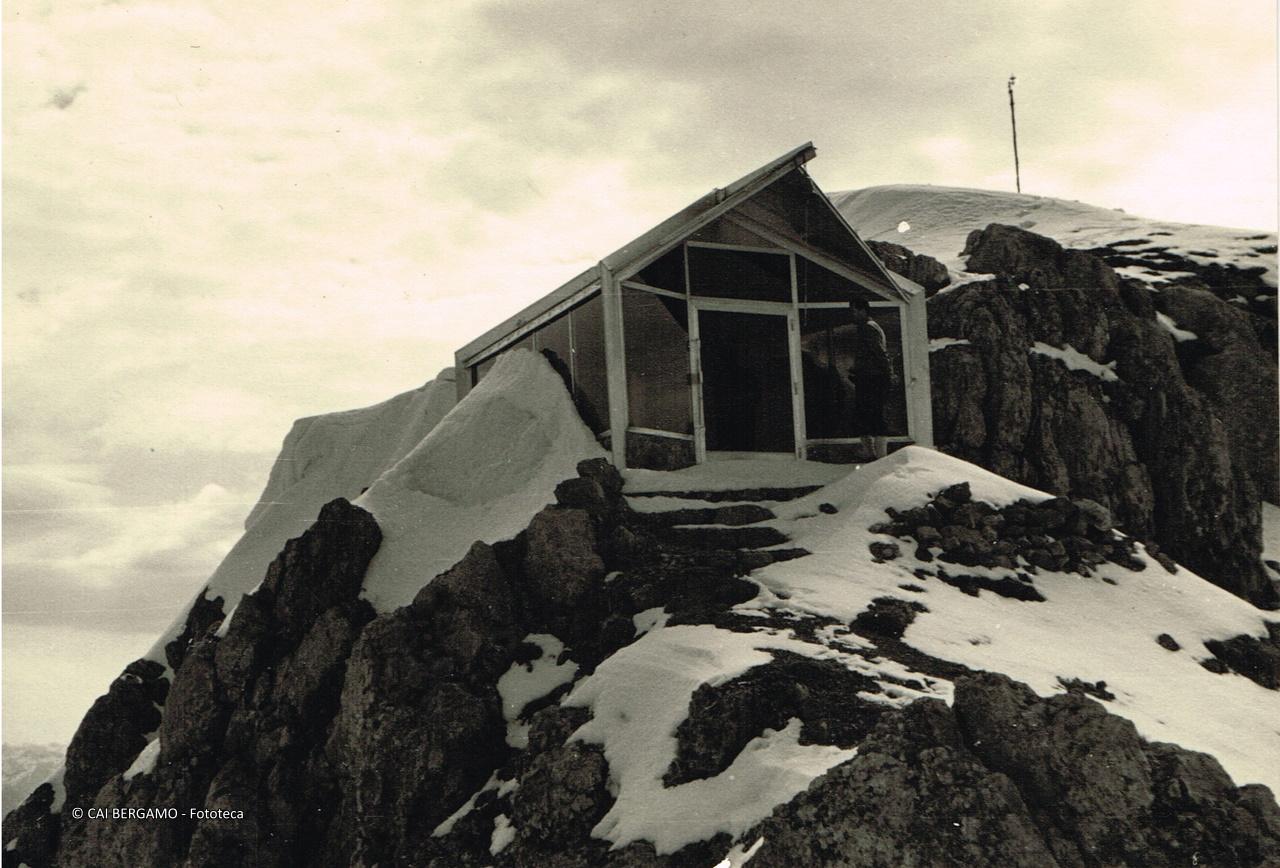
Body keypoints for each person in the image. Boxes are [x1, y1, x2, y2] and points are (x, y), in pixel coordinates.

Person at [846, 298, 891, 459]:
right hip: (868, 377)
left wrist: (887, 374)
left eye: (854, 311)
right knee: (865, 415)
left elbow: (879, 353)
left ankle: (879, 454)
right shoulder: (868, 328)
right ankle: (872, 452)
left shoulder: (868, 329)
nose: (852, 315)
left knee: (873, 415)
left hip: (872, 379)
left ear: (863, 310)